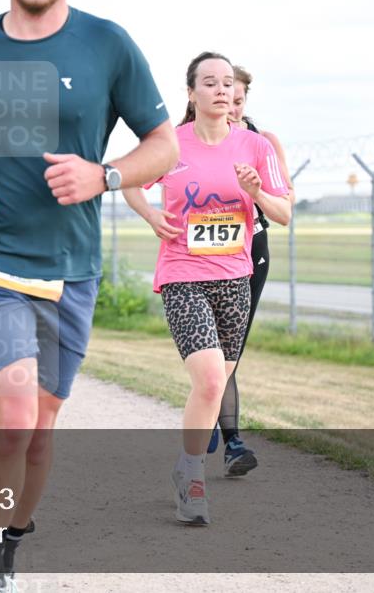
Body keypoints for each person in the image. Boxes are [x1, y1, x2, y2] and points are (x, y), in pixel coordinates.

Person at [0, 0, 178, 588]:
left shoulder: (107, 44)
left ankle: (9, 540)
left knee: (39, 428)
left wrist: (105, 175)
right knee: (11, 411)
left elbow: (163, 143)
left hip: (71, 265)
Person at [123, 52, 291, 526]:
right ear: (192, 93)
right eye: (210, 82)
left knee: (213, 387)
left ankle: (185, 463)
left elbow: (283, 214)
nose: (220, 90)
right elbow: (130, 182)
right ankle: (193, 477)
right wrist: (151, 214)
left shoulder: (254, 146)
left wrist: (257, 191)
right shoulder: (169, 144)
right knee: (212, 380)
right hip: (182, 273)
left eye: (226, 83)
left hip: (235, 278)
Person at [197, 65, 297, 475]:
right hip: (200, 256)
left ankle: (229, 439)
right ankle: (223, 431)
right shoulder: (193, 136)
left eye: (238, 101)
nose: (232, 108)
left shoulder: (261, 142)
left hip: (250, 248)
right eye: (225, 98)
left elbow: (286, 197)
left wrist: (257, 189)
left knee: (229, 353)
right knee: (210, 354)